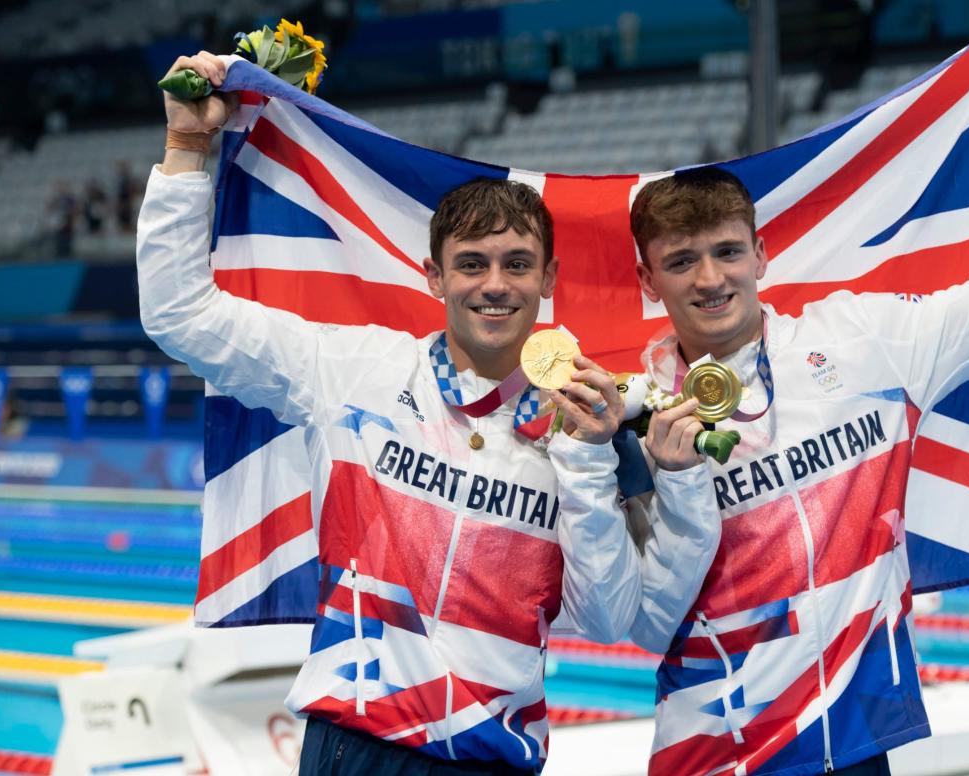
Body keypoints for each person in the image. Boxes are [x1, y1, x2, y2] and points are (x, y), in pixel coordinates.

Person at [138, 52, 718, 775]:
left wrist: (586, 459)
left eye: (516, 263)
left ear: (548, 280)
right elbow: (180, 314)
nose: (495, 285)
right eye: (472, 263)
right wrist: (188, 149)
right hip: (354, 750)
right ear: (434, 276)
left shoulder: (586, 424)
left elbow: (607, 621)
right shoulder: (352, 371)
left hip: (491, 759)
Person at [626, 25, 969, 776]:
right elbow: (641, 619)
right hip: (715, 754)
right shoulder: (634, 414)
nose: (710, 278)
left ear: (761, 254)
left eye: (727, 251)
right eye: (681, 261)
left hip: (854, 740)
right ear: (649, 282)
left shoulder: (865, 341)